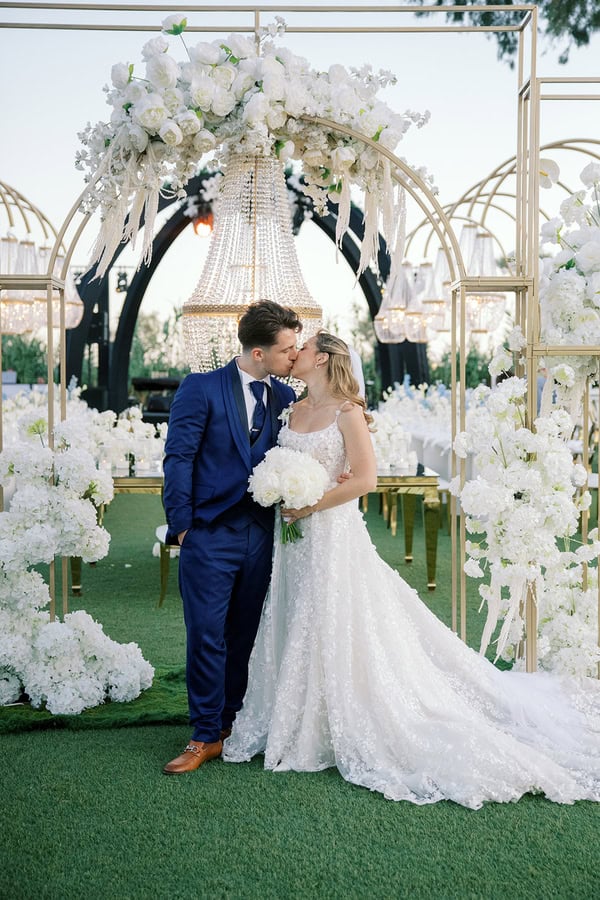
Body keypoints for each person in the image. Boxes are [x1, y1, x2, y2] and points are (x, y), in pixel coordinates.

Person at [223, 331, 600, 808]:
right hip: (293, 538)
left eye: (304, 348)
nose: (294, 354)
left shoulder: (348, 412)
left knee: (336, 613)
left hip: (330, 533)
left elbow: (365, 479)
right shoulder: (291, 408)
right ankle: (297, 711)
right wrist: (282, 492)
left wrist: (310, 503)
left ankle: (342, 712)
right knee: (298, 612)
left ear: (323, 358)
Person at [161, 300, 300, 775]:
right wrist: (183, 527)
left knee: (245, 634)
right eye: (286, 349)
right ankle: (202, 735)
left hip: (262, 535)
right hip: (208, 533)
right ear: (259, 353)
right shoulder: (200, 388)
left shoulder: (287, 399)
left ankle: (229, 724)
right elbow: (178, 457)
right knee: (206, 634)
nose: (294, 356)